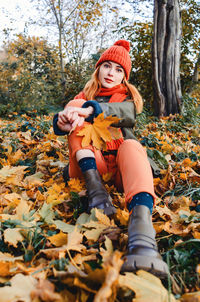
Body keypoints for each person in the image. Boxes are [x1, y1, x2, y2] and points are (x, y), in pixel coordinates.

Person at [53, 40, 169, 277]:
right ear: (98, 69)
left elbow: (127, 115)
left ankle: (142, 232)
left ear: (124, 77)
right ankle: (97, 194)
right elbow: (69, 115)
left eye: (119, 70)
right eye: (107, 66)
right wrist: (62, 122)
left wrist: (91, 110)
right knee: (75, 104)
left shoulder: (128, 101)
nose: (111, 73)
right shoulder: (82, 97)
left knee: (131, 145)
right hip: (88, 170)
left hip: (118, 173)